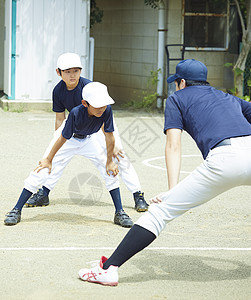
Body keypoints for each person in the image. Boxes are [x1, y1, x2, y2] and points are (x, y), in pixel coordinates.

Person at [78, 59, 251, 286]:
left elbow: (173, 145)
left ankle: (109, 268)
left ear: (181, 82)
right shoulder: (228, 97)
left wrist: (173, 192)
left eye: (176, 82)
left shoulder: (177, 98)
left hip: (224, 159)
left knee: (159, 213)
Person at [25, 53, 148, 213]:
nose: (72, 75)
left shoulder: (89, 87)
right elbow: (59, 118)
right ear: (58, 72)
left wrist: (113, 143)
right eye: (67, 71)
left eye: (76, 71)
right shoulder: (58, 91)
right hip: (77, 125)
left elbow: (102, 115)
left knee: (119, 156)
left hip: (101, 124)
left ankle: (137, 194)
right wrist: (58, 139)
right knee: (56, 158)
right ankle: (44, 193)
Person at [4, 82, 134, 227]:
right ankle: (16, 210)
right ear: (85, 103)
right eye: (97, 105)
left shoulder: (106, 110)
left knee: (109, 170)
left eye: (104, 104)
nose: (101, 108)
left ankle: (119, 212)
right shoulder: (76, 113)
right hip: (69, 139)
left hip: (89, 140)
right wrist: (48, 159)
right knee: (42, 169)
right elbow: (62, 138)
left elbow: (109, 136)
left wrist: (109, 161)